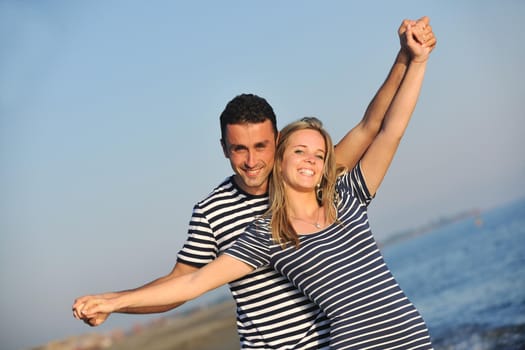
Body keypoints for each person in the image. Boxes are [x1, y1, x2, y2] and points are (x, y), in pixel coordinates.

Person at [74, 18, 436, 349]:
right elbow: (185, 284)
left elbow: (377, 127)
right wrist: (114, 302)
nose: (251, 160)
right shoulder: (231, 219)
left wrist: (408, 58)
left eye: (261, 146)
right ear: (225, 149)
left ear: (276, 144)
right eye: (239, 149)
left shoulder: (332, 189)